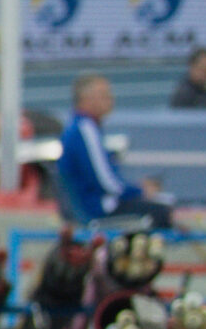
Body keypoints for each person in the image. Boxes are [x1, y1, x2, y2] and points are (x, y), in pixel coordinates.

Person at [57, 73, 173, 229]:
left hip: (95, 206)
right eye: (105, 95)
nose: (111, 100)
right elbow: (105, 181)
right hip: (96, 210)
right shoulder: (85, 129)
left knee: (160, 203)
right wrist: (139, 190)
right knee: (161, 210)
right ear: (86, 100)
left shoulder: (83, 128)